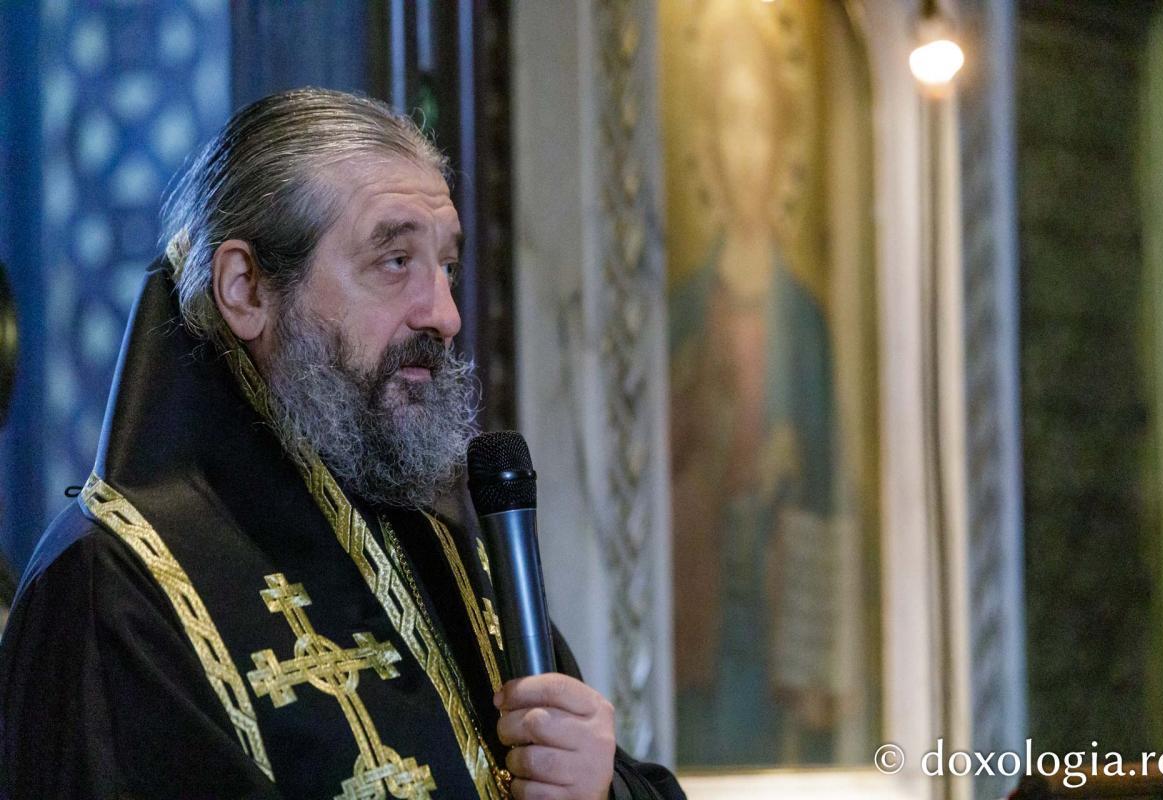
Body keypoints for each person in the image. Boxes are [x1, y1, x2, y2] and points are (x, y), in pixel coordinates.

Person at [0, 88, 684, 800]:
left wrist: (603, 789)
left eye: (446, 266)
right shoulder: (111, 586)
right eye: (394, 260)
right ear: (246, 289)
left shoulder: (444, 546)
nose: (444, 314)